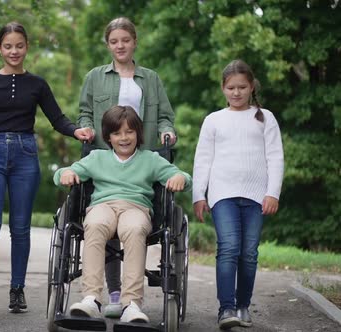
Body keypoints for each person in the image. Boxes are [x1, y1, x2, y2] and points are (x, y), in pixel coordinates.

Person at [0, 22, 93, 317]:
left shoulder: (37, 84)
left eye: (19, 46)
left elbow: (57, 118)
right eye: (8, 46)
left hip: (25, 156)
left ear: (27, 47)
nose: (14, 51)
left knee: (20, 227)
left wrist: (77, 132)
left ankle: (17, 290)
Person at [76, 16, 177, 317]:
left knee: (130, 223)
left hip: (142, 159)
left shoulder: (151, 78)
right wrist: (85, 129)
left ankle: (127, 300)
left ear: (134, 42)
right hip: (104, 159)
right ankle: (111, 293)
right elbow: (83, 112)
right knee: (100, 219)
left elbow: (165, 116)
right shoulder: (95, 76)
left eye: (125, 40)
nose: (120, 45)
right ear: (108, 44)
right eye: (114, 41)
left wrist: (166, 131)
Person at [54, 105, 191, 323]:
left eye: (129, 132)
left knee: (135, 229)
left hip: (136, 207)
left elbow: (180, 175)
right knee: (95, 224)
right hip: (103, 206)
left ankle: (132, 304)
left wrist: (180, 178)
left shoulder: (150, 159)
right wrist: (66, 173)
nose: (124, 138)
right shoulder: (97, 157)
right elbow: (65, 172)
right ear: (108, 137)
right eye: (117, 133)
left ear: (138, 133)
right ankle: (91, 298)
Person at [192, 59, 284, 329]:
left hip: (256, 196)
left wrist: (272, 193)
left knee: (249, 252)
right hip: (223, 195)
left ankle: (243, 305)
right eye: (231, 87)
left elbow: (275, 158)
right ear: (223, 88)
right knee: (229, 248)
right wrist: (200, 194)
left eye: (242, 87)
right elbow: (203, 160)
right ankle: (226, 308)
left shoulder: (265, 118)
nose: (236, 92)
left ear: (251, 86)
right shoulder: (214, 120)